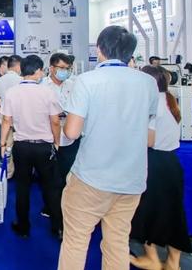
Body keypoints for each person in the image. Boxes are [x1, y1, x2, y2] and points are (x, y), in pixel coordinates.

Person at [58, 25, 159, 270]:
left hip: (91, 177)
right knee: (117, 243)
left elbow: (71, 132)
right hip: (132, 179)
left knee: (76, 241)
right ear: (130, 53)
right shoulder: (148, 83)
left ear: (100, 49)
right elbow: (150, 138)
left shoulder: (87, 81)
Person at [129, 66, 192, 270]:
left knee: (148, 210)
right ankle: (173, 262)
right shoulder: (170, 100)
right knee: (174, 212)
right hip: (171, 162)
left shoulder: (151, 104)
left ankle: (152, 259)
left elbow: (148, 141)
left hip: (153, 163)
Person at [0, 55, 63, 239]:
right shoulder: (47, 92)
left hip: (22, 146)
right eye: (41, 70)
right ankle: (58, 227)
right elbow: (55, 121)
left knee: (22, 187)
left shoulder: (12, 92)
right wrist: (57, 142)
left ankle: (23, 227)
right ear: (37, 71)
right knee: (51, 187)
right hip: (44, 146)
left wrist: (3, 143)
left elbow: (6, 121)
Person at [42, 53, 78, 184]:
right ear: (52, 68)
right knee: (49, 173)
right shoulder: (42, 86)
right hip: (48, 135)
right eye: (62, 68)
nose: (65, 71)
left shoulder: (72, 85)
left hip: (69, 135)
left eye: (68, 68)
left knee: (67, 170)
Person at [0, 55, 23, 177]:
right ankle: (21, 171)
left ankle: (9, 172)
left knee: (7, 146)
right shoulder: (21, 80)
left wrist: (1, 110)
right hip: (20, 120)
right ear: (18, 66)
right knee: (21, 146)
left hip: (5, 120)